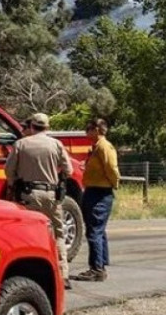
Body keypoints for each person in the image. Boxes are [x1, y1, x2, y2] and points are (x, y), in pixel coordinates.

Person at [5, 112, 72, 288]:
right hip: (52, 196)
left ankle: (32, 273)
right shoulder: (56, 144)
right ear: (47, 127)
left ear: (32, 126)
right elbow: (69, 170)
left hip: (28, 195)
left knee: (28, 234)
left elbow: (9, 171)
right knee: (58, 233)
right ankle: (63, 274)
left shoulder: (21, 144)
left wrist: (13, 184)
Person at [73, 118, 120, 283]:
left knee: (94, 231)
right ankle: (101, 263)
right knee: (98, 230)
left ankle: (97, 269)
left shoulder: (104, 147)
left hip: (100, 192)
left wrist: (114, 184)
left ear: (97, 130)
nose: (86, 132)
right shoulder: (96, 147)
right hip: (93, 190)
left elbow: (111, 168)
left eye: (88, 129)